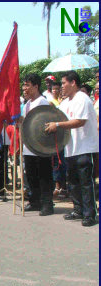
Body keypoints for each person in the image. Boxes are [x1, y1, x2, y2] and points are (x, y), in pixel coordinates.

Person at [45, 71, 99, 226]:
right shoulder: (64, 103)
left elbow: (79, 122)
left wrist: (58, 125)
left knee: (85, 182)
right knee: (73, 182)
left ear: (73, 82)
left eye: (63, 83)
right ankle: (78, 209)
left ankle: (90, 214)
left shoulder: (82, 99)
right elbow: (56, 119)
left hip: (84, 148)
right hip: (70, 148)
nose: (61, 86)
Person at [20, 74, 54, 216]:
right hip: (29, 146)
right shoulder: (27, 104)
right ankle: (35, 202)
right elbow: (26, 123)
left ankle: (47, 204)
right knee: (31, 175)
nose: (25, 88)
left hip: (41, 147)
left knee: (44, 176)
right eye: (24, 85)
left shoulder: (42, 102)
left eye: (27, 85)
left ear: (36, 86)